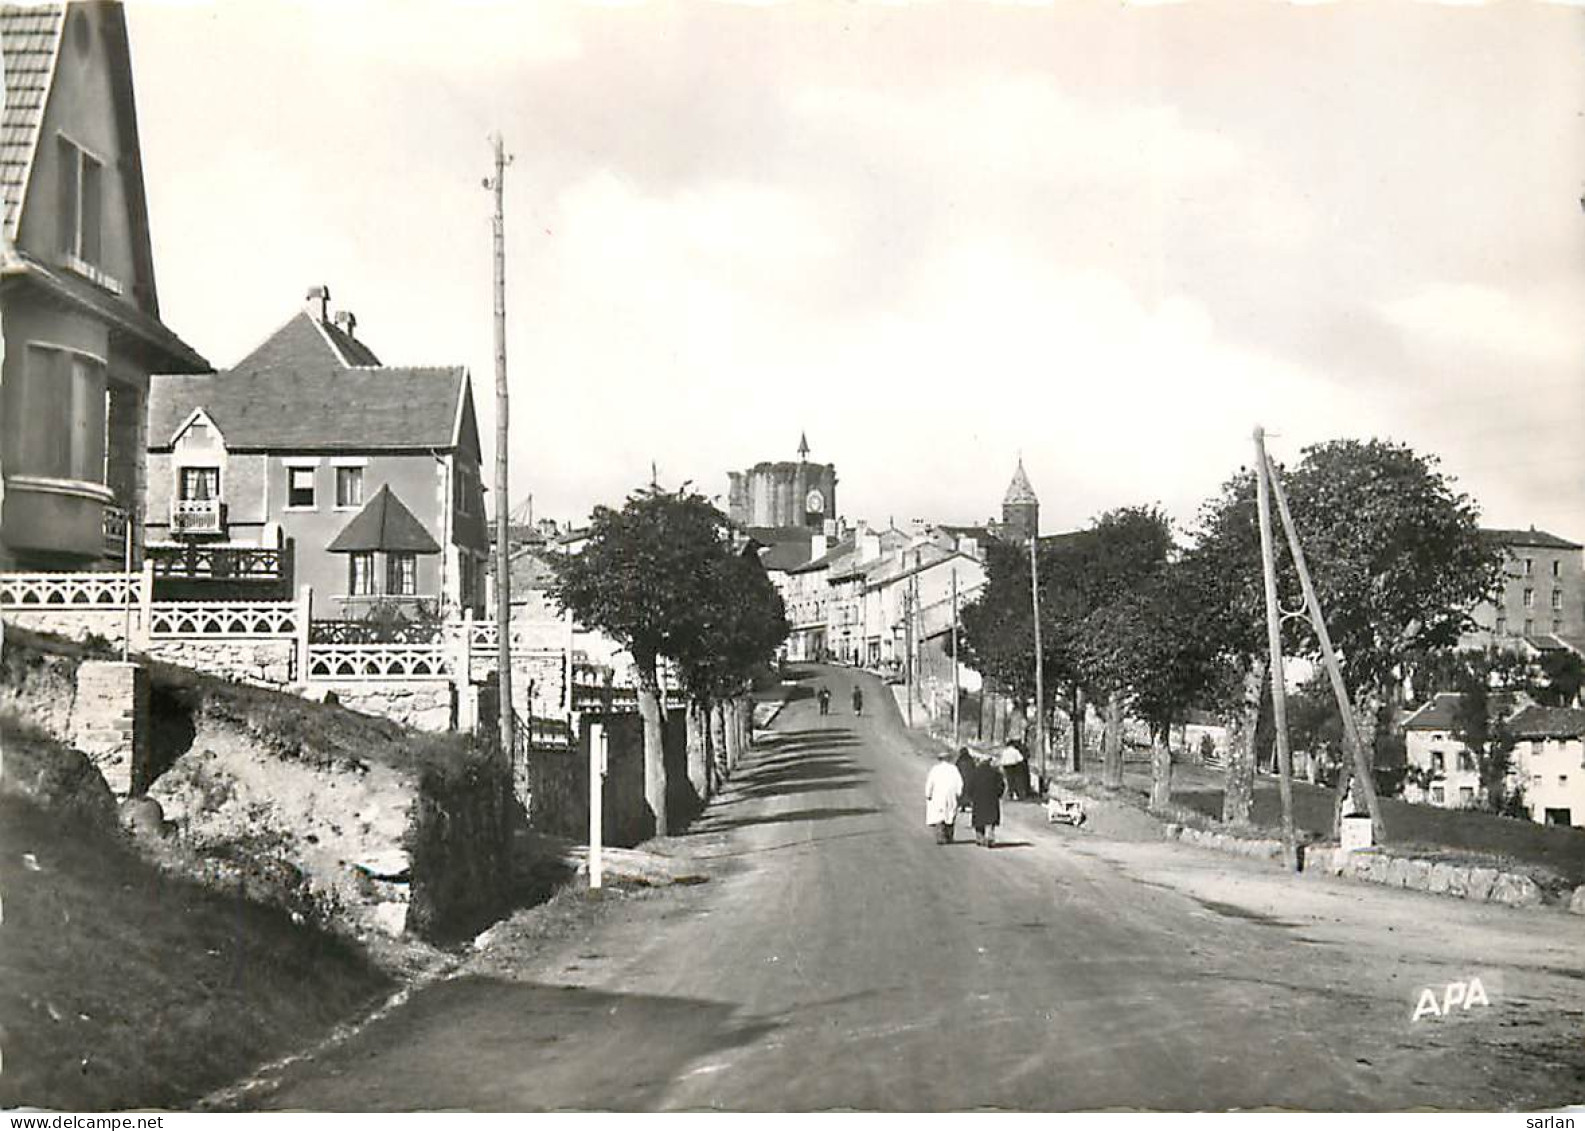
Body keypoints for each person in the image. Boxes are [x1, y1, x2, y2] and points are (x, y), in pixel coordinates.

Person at [964, 754, 1006, 847]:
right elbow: (1001, 786)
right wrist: (998, 795)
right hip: (991, 799)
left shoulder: (975, 772)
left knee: (979, 819)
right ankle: (990, 836)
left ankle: (980, 837)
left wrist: (970, 797)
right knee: (991, 819)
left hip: (978, 799)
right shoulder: (995, 773)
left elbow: (970, 786)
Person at [924, 749, 963, 845]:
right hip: (950, 795)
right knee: (950, 815)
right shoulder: (954, 769)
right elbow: (960, 783)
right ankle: (949, 836)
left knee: (939, 815)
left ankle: (940, 836)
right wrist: (959, 793)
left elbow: (930, 783)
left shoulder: (935, 769)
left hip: (938, 795)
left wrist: (928, 794)